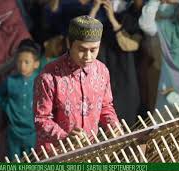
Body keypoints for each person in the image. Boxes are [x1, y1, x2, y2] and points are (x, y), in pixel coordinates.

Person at [33, 15, 120, 152]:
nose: (88, 56)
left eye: (93, 50)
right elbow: (41, 120)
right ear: (69, 43)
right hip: (55, 156)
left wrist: (114, 126)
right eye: (82, 49)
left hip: (89, 152)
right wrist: (65, 137)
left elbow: (105, 106)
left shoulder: (102, 71)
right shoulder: (49, 76)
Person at [0, 45, 40, 160]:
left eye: (26, 62)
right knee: (14, 161)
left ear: (36, 64)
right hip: (14, 130)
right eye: (19, 62)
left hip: (33, 131)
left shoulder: (40, 80)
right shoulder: (10, 81)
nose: (22, 65)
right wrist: (7, 107)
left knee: (32, 160)